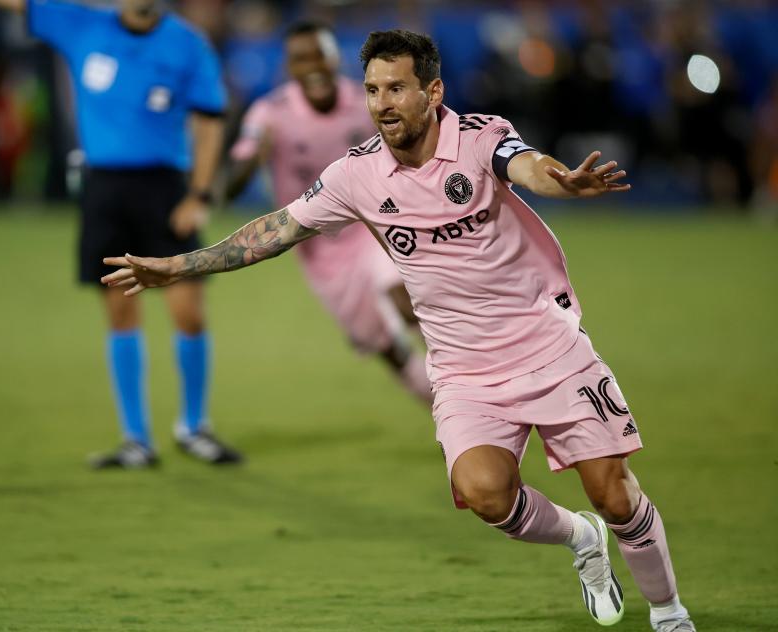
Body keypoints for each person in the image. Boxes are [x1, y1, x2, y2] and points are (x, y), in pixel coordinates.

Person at [102, 30, 696, 630]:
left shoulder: (479, 136)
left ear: (432, 91)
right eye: (372, 91)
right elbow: (274, 231)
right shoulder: (357, 175)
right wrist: (178, 266)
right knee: (487, 495)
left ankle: (670, 615)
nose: (382, 103)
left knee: (616, 496)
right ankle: (581, 541)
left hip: (548, 345)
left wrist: (561, 179)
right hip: (464, 370)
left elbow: (526, 164)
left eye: (396, 89)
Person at [0, 0, 242, 467]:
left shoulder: (187, 44)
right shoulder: (80, 22)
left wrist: (199, 194)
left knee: (188, 312)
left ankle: (194, 426)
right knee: (121, 315)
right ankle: (136, 440)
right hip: (104, 189)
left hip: (166, 189)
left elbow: (208, 123)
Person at [227, 21, 431, 404]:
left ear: (335, 57)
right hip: (320, 249)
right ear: (290, 67)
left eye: (319, 54)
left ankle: (467, 392)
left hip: (373, 224)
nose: (313, 65)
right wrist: (254, 159)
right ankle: (441, 407)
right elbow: (232, 184)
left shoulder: (366, 101)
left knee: (405, 298)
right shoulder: (270, 113)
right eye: (301, 58)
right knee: (385, 346)